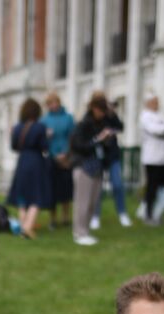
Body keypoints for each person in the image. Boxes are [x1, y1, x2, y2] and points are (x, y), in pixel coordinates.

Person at [68, 93, 113, 247]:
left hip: (97, 167)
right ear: (94, 108)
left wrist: (105, 140)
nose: (102, 113)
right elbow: (78, 145)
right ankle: (79, 232)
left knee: (92, 202)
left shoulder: (101, 124)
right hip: (83, 166)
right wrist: (97, 140)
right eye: (101, 110)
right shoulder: (83, 125)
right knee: (83, 202)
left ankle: (85, 231)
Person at [6, 97, 52, 239]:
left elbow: (14, 147)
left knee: (23, 194)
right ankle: (27, 227)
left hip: (22, 161)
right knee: (36, 195)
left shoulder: (18, 127)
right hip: (36, 161)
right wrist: (48, 136)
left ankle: (22, 224)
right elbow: (45, 147)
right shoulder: (40, 127)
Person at [89, 92, 130, 230]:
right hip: (99, 156)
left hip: (112, 155)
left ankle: (122, 213)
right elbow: (90, 133)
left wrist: (112, 115)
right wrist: (101, 136)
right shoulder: (93, 117)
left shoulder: (111, 116)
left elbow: (120, 127)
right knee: (98, 188)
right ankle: (95, 216)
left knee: (117, 185)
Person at [137, 93, 164, 226]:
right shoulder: (145, 116)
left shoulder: (162, 116)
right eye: (154, 101)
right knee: (152, 187)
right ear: (148, 103)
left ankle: (159, 213)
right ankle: (148, 214)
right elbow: (156, 131)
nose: (156, 104)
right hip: (152, 158)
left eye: (157, 101)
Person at [41, 92, 76, 230]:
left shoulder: (68, 118)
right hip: (51, 158)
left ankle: (66, 217)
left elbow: (72, 137)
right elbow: (42, 141)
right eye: (50, 103)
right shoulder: (44, 121)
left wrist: (66, 154)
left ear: (59, 102)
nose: (53, 105)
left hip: (66, 157)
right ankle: (52, 219)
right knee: (52, 189)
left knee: (66, 188)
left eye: (55, 102)